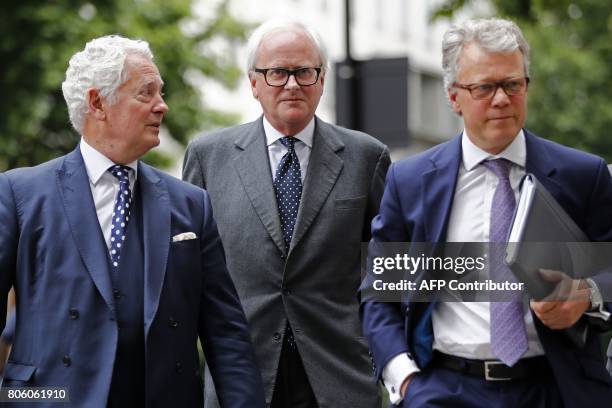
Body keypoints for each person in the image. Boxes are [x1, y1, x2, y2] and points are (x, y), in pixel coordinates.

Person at [0, 35, 265, 407]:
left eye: (161, 93)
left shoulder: (192, 205)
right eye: (147, 93)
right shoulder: (19, 194)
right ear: (98, 103)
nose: (163, 106)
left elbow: (227, 335)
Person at [360, 18, 612, 407]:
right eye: (484, 87)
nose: (501, 99)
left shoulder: (584, 176)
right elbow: (379, 292)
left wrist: (588, 294)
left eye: (512, 84)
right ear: (453, 96)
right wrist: (405, 380)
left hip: (557, 388)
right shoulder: (410, 182)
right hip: (445, 390)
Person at [183, 19, 390, 408]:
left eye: (304, 72)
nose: (292, 84)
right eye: (278, 72)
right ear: (253, 82)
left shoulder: (367, 157)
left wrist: (380, 363)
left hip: (340, 377)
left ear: (322, 78)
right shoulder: (208, 156)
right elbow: (190, 274)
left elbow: (387, 271)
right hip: (242, 379)